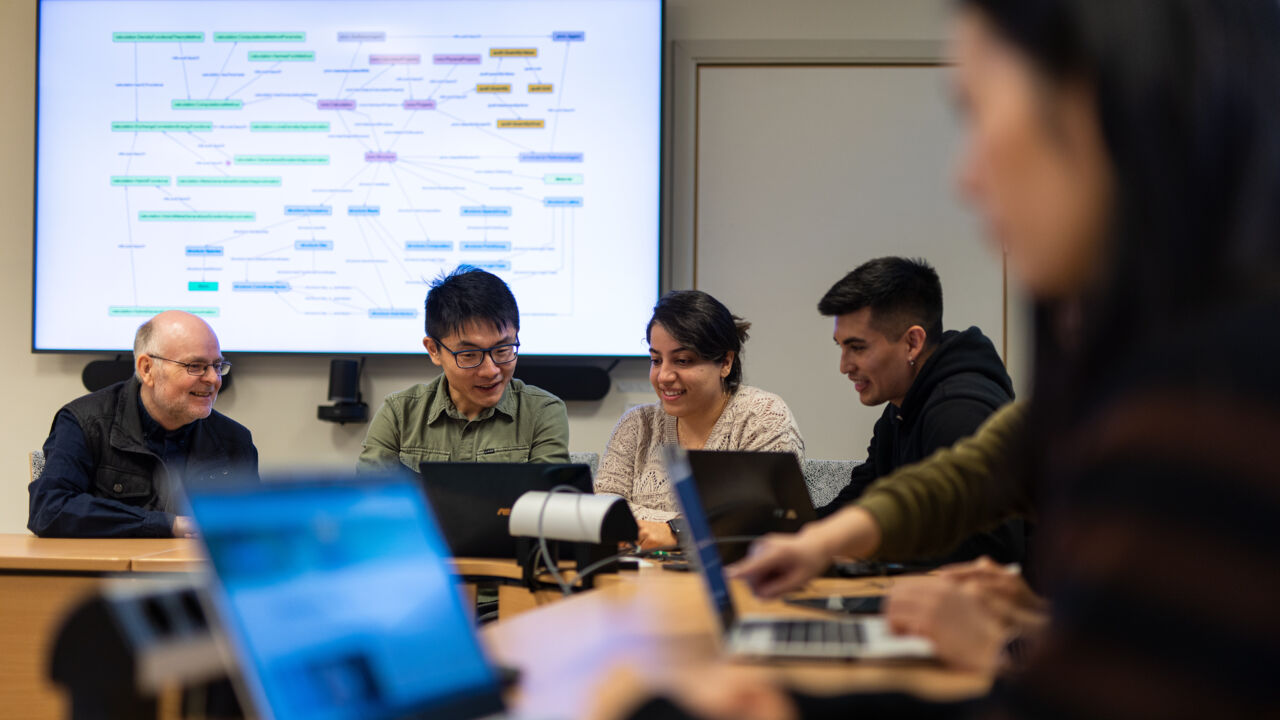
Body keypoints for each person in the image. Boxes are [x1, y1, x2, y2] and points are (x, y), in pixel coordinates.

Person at [626, 0, 1280, 717]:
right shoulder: (1148, 376)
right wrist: (823, 544)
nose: (966, 177)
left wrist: (1002, 651)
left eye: (977, 110)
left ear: (1095, 105)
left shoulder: (1208, 411)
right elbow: (984, 470)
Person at [815, 256, 1024, 565]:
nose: (844, 366)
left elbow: (988, 551)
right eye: (841, 347)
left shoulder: (959, 412)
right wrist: (796, 537)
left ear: (912, 343)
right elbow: (863, 497)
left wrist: (856, 551)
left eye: (857, 348)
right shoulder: (899, 407)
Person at [595, 290, 804, 550]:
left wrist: (675, 532)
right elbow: (603, 511)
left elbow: (766, 523)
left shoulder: (762, 416)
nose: (664, 376)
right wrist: (703, 525)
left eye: (682, 361)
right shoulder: (637, 424)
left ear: (725, 362)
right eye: (656, 360)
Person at [28, 311, 257, 538]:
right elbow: (49, 510)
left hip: (194, 572)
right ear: (147, 369)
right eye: (195, 366)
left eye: (217, 365)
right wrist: (168, 525)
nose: (213, 379)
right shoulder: (85, 422)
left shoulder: (234, 440)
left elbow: (254, 526)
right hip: (104, 572)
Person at [358, 266, 569, 472]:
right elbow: (368, 500)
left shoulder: (542, 412)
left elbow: (547, 503)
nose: (490, 370)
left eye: (503, 349)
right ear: (434, 350)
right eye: (469, 355)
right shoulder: (399, 415)